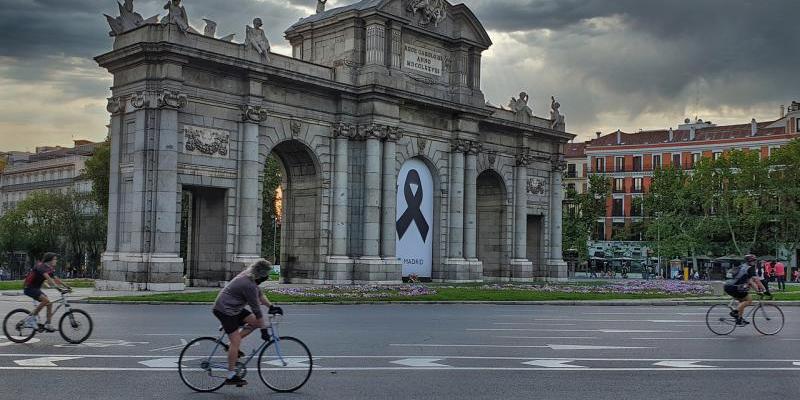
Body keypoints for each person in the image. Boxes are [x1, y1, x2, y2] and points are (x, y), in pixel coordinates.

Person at [212, 260, 276, 387]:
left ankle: (229, 346)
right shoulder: (249, 285)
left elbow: (260, 294)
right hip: (224, 310)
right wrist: (264, 331)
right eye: (266, 274)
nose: (267, 277)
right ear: (261, 274)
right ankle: (231, 376)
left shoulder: (251, 276)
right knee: (237, 341)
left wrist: (271, 306)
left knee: (256, 323)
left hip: (234, 308)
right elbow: (257, 310)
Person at [22, 253, 71, 331]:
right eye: (55, 259)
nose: (56, 261)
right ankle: (31, 319)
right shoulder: (41, 266)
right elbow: (49, 279)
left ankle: (48, 324)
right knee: (45, 300)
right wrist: (58, 288)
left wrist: (66, 286)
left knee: (49, 303)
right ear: (50, 260)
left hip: (35, 288)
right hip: (29, 288)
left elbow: (56, 278)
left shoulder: (48, 268)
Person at [724, 254, 769, 326]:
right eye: (754, 260)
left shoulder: (743, 266)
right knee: (749, 300)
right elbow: (756, 280)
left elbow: (750, 281)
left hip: (729, 286)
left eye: (755, 260)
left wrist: (758, 291)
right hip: (734, 287)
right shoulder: (750, 268)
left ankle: (739, 319)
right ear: (750, 261)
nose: (755, 262)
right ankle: (734, 312)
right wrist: (765, 289)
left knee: (742, 301)